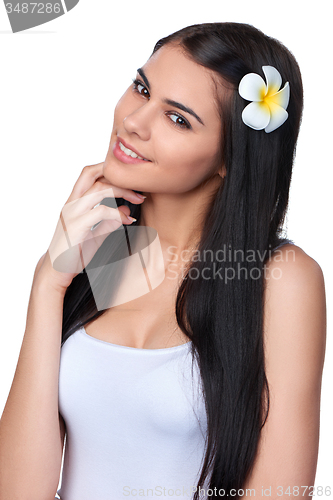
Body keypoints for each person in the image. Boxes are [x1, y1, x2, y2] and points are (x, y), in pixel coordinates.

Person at [0, 22, 326, 500]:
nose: (134, 121)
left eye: (178, 119)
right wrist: (48, 283)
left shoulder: (279, 278)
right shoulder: (108, 248)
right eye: (141, 88)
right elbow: (17, 491)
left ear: (229, 158)